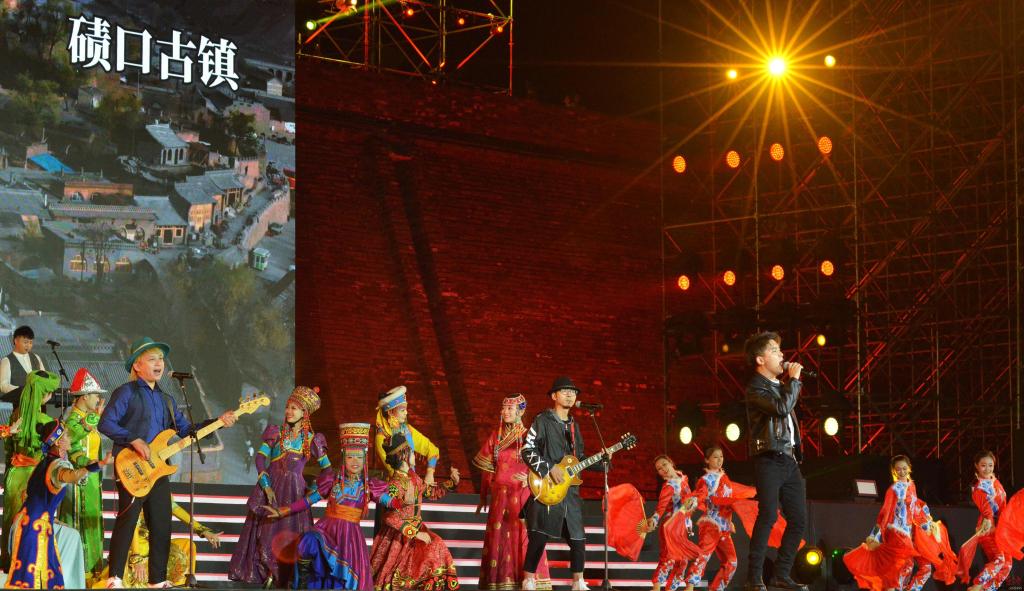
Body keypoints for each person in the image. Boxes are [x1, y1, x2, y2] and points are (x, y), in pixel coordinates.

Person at [98, 337, 238, 589]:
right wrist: (133, 440)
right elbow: (105, 423)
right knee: (128, 520)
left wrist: (218, 422)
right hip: (131, 467)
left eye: (161, 359)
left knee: (162, 523)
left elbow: (187, 430)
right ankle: (114, 577)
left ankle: (158, 580)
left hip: (158, 470)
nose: (159, 363)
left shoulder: (167, 400)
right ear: (137, 365)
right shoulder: (126, 392)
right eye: (152, 359)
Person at [229, 386, 331, 587]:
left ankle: (285, 579)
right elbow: (260, 459)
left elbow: (327, 470)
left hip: (295, 494)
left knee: (292, 537)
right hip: (272, 490)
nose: (289, 411)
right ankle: (267, 574)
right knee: (266, 535)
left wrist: (314, 490)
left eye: (294, 408)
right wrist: (266, 486)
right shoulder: (276, 433)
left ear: (304, 413)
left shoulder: (312, 440)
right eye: (287, 407)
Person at [288, 422, 404, 589]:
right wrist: (284, 510)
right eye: (350, 457)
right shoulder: (332, 481)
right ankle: (302, 585)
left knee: (343, 578)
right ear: (343, 458)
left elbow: (388, 500)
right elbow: (309, 501)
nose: (355, 461)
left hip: (349, 538)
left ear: (364, 459)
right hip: (327, 530)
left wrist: (400, 501)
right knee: (308, 540)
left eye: (359, 457)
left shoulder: (368, 486)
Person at [520, 376, 607, 591]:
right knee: (539, 536)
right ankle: (528, 580)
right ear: (554, 396)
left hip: (570, 492)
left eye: (573, 392)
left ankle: (578, 582)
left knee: (578, 538)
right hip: (547, 485)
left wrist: (602, 461)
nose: (570, 395)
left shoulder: (575, 426)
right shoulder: (542, 421)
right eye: (565, 391)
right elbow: (527, 450)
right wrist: (549, 467)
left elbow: (579, 459)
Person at [6, 420, 112, 589]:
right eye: (67, 436)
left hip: (28, 522)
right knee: (32, 579)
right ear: (58, 442)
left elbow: (29, 496)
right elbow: (71, 476)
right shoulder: (57, 466)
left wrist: (50, 517)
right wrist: (98, 465)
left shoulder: (42, 464)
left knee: (45, 574)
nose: (70, 439)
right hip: (35, 529)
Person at [742, 332, 808, 591]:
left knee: (798, 520)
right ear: (760, 359)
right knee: (768, 515)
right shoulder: (756, 388)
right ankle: (754, 577)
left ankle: (781, 574)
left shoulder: (781, 387)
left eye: (780, 350)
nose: (782, 354)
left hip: (789, 461)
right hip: (769, 459)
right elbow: (780, 409)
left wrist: (790, 384)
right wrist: (794, 381)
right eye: (774, 350)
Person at [473, 394, 551, 590]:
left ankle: (528, 580)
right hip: (500, 498)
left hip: (522, 495)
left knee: (523, 536)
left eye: (510, 408)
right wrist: (483, 497)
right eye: (503, 408)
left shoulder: (530, 436)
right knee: (500, 541)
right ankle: (501, 583)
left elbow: (544, 464)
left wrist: (532, 479)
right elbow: (488, 470)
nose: (505, 412)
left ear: (521, 411)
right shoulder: (496, 437)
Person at [369, 434, 460, 590]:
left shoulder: (413, 477)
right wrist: (415, 534)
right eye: (411, 451)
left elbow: (429, 492)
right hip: (400, 537)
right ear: (403, 455)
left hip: (418, 529)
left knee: (436, 548)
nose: (414, 455)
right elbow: (389, 517)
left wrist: (451, 483)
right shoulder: (395, 484)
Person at [842, 455, 938, 591]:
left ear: (909, 468)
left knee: (923, 567)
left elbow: (914, 510)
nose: (902, 472)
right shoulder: (893, 490)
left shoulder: (912, 486)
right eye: (898, 469)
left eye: (904, 468)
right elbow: (884, 514)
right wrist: (874, 535)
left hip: (909, 534)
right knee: (904, 567)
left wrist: (926, 524)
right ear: (894, 471)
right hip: (897, 534)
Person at [1, 369, 61, 570]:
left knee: (12, 519)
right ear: (44, 395)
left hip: (14, 474)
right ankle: (28, 564)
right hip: (34, 476)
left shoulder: (15, 416)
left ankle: (9, 563)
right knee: (32, 520)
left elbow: (8, 448)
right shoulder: (44, 421)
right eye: (50, 393)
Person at [91, 501, 222, 588]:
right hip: (137, 544)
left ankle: (181, 585)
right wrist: (136, 558)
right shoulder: (137, 490)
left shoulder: (161, 490)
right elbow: (132, 526)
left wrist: (202, 530)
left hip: (156, 544)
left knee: (188, 545)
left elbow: (177, 509)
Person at [59, 368, 107, 582]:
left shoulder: (88, 418)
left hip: (92, 479)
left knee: (92, 523)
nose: (98, 399)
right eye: (95, 395)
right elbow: (71, 444)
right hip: (79, 480)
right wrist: (87, 464)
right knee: (78, 524)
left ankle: (93, 574)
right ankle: (78, 575)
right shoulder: (72, 419)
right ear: (85, 396)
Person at [681, 445, 745, 591]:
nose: (719, 460)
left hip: (724, 527)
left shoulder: (725, 477)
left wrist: (730, 521)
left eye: (721, 456)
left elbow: (728, 501)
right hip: (711, 525)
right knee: (703, 556)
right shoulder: (705, 480)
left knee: (732, 562)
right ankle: (689, 587)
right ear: (707, 460)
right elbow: (701, 494)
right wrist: (695, 500)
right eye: (715, 457)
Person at [645, 455, 696, 591]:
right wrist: (654, 519)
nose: (663, 469)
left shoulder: (683, 478)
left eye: (664, 464)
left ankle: (670, 588)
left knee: (682, 561)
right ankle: (656, 588)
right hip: (671, 526)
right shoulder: (668, 486)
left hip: (681, 526)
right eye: (659, 469)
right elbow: (661, 507)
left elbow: (688, 504)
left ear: (671, 462)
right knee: (668, 558)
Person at [963, 451, 1011, 591]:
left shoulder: (995, 481)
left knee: (1007, 565)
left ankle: (987, 589)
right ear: (976, 466)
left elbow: (1003, 505)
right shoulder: (978, 488)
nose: (987, 469)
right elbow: (986, 510)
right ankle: (977, 585)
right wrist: (989, 521)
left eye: (990, 465)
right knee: (999, 560)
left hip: (1001, 529)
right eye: (983, 465)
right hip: (988, 529)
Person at [373, 386, 439, 483]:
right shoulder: (382, 437)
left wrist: (430, 472)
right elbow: (395, 471)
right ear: (390, 412)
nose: (406, 413)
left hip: (412, 482)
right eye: (402, 410)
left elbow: (432, 449)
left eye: (406, 409)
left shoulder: (407, 430)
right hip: (395, 485)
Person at [0, 325, 46, 405]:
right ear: (15, 341)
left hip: (39, 404)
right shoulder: (6, 361)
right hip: (20, 405)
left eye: (30, 342)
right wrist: (23, 390)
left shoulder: (36, 358)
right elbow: (3, 385)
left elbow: (44, 379)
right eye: (25, 342)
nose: (28, 345)